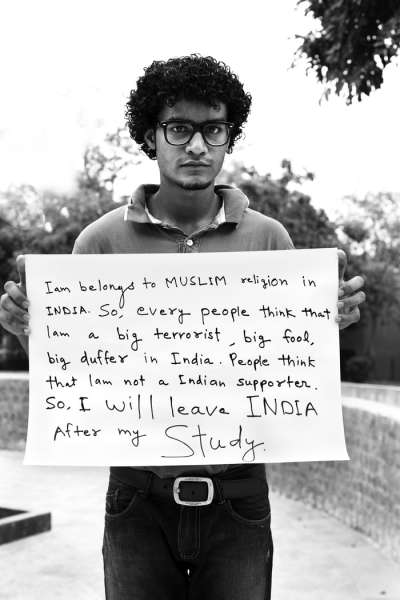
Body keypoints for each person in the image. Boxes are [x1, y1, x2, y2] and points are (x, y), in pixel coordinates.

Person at [0, 54, 365, 600]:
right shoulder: (98, 242)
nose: (197, 145)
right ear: (151, 136)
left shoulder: (271, 240)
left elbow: (290, 360)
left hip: (239, 497)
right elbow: (75, 374)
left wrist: (329, 324)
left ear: (229, 137)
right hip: (136, 499)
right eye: (178, 128)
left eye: (213, 129)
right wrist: (26, 328)